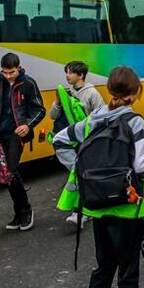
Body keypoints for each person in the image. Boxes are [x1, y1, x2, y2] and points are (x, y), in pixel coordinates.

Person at [53, 66, 144, 288]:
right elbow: (140, 166)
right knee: (128, 273)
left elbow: (59, 139)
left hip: (97, 205)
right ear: (136, 92)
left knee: (103, 268)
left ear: (110, 91)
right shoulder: (134, 121)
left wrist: (84, 168)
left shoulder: (93, 120)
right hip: (128, 206)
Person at [0, 52, 46, 231]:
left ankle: (26, 210)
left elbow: (40, 110)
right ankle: (19, 213)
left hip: (17, 135)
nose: (8, 76)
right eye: (4, 72)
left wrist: (28, 126)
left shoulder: (28, 84)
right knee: (6, 175)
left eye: (11, 72)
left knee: (11, 170)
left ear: (18, 68)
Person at [48, 60, 107, 226]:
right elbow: (52, 116)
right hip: (70, 140)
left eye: (70, 72)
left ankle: (82, 211)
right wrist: (58, 102)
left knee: (81, 173)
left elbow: (101, 118)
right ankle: (86, 208)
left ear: (80, 75)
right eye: (66, 72)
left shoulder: (92, 94)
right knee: (80, 173)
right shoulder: (66, 93)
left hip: (86, 141)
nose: (67, 76)